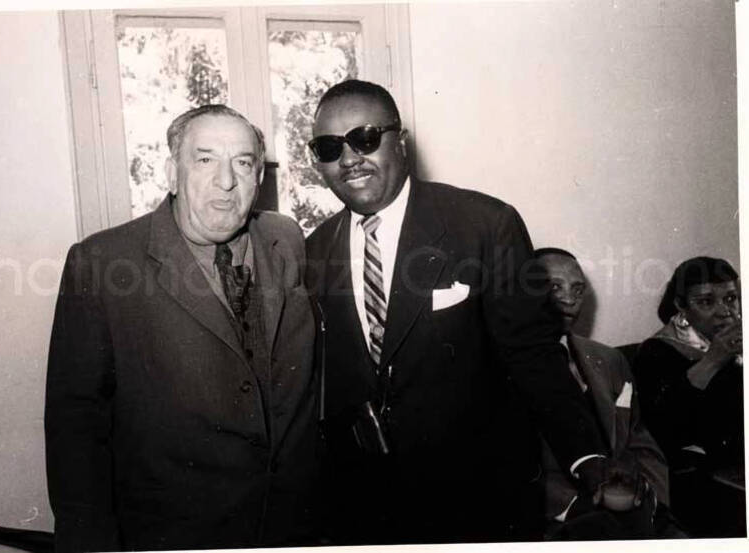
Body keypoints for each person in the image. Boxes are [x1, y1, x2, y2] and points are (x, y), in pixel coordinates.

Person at [304, 79, 613, 544]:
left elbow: (533, 356)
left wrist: (587, 459)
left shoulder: (484, 225)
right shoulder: (311, 251)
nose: (349, 159)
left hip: (478, 503)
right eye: (330, 148)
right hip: (366, 511)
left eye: (365, 138)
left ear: (400, 142)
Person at [45, 105, 321, 552]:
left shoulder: (285, 239)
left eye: (244, 163)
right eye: (206, 159)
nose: (226, 181)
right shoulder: (101, 263)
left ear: (260, 178)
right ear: (172, 172)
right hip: (174, 535)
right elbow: (75, 430)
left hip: (289, 526)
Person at [535, 248, 674, 539]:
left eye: (578, 289)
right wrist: (572, 506)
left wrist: (652, 500)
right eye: (554, 287)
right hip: (556, 522)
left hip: (632, 511)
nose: (569, 299)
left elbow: (642, 444)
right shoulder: (500, 368)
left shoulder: (609, 359)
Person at [633, 256, 745, 537]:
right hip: (701, 478)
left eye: (731, 298)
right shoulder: (656, 352)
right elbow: (668, 429)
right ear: (681, 306)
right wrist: (714, 360)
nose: (725, 312)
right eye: (707, 302)